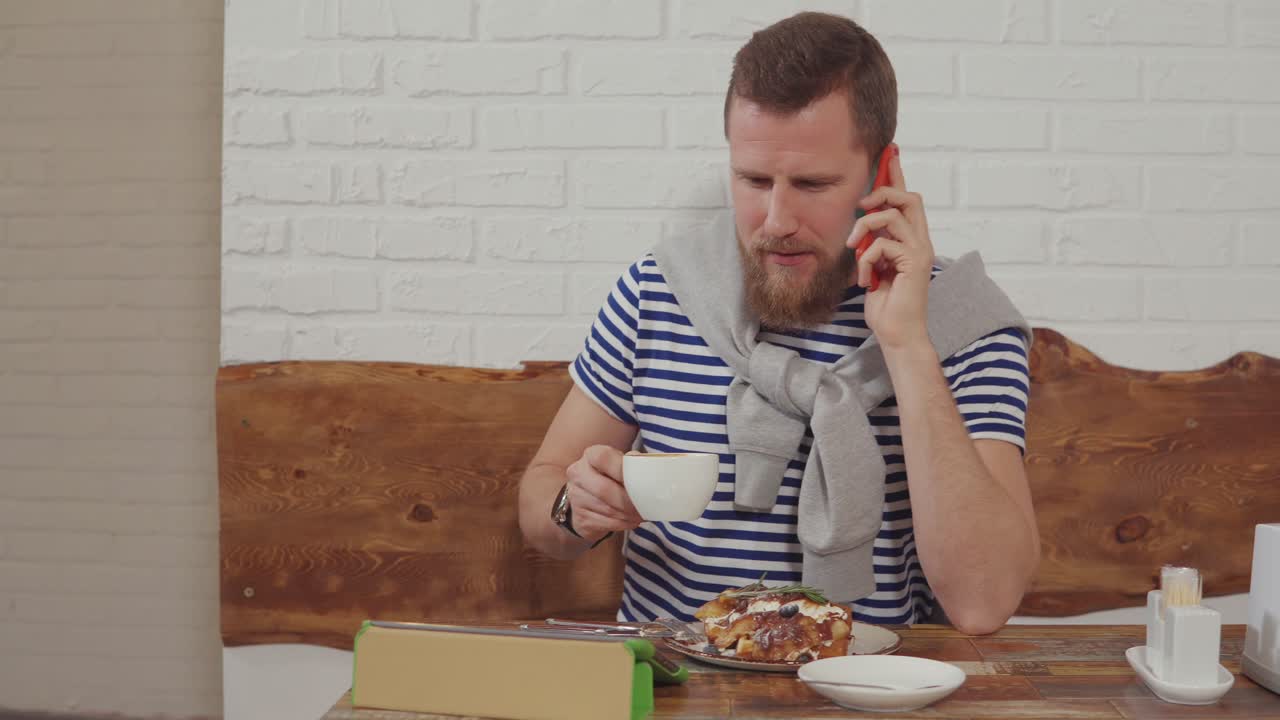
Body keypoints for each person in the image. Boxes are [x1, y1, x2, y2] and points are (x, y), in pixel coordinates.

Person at [517, 11, 1039, 635]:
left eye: (813, 183)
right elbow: (540, 508)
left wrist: (906, 346)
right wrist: (575, 508)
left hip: (866, 689)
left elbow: (982, 603)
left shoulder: (963, 325)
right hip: (671, 682)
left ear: (883, 175)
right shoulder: (659, 290)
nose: (776, 219)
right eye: (753, 179)